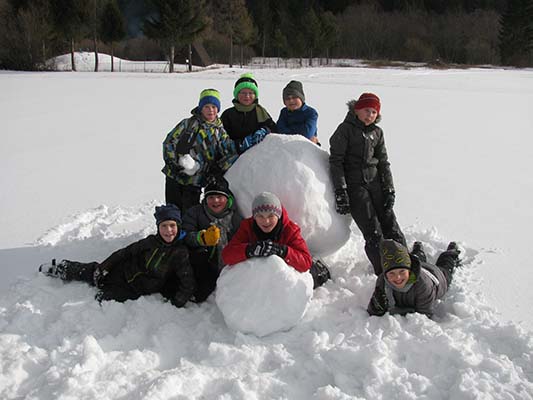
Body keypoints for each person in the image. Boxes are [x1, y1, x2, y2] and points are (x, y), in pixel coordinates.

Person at [39, 204, 196, 308]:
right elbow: (126, 252)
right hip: (123, 271)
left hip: (137, 288)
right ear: (158, 227)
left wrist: (178, 301)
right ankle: (62, 268)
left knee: (105, 297)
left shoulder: (180, 252)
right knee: (92, 272)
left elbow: (187, 280)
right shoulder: (150, 241)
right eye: (164, 226)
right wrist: (105, 265)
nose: (168, 231)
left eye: (172, 226)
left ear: (178, 226)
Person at [329, 92, 406, 275]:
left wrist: (389, 188)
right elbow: (336, 161)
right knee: (372, 230)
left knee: (390, 223)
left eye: (373, 112)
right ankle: (385, 272)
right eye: (366, 110)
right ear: (357, 110)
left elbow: (383, 162)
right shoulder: (345, 130)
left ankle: (405, 265)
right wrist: (341, 190)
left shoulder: (377, 133)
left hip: (376, 183)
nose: (369, 115)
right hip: (355, 186)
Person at [222, 192, 330, 289]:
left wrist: (283, 251)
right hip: (260, 278)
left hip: (285, 278)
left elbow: (305, 262)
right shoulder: (247, 227)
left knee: (311, 276)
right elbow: (227, 256)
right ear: (254, 217)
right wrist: (250, 250)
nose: (266, 221)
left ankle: (319, 270)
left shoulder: (289, 230)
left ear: (278, 215)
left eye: (271, 216)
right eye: (260, 216)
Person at [162, 88, 238, 214]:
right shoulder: (187, 124)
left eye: (214, 107)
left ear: (218, 109)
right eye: (206, 106)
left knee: (190, 214)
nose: (210, 110)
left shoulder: (220, 132)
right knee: (172, 212)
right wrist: (172, 163)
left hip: (196, 181)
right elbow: (169, 142)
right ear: (201, 108)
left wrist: (218, 169)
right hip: (174, 176)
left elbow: (230, 153)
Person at [182, 176, 243, 302]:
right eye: (211, 197)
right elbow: (184, 235)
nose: (215, 201)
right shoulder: (195, 213)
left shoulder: (235, 218)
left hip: (229, 266)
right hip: (205, 264)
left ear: (227, 198)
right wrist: (201, 238)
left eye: (219, 197)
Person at [367, 239, 461, 318]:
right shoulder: (382, 281)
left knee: (446, 265)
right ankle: (418, 251)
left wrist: (400, 311)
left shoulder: (423, 285)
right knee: (416, 259)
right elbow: (373, 310)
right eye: (391, 273)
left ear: (409, 270)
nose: (397, 277)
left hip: (437, 275)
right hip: (418, 267)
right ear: (385, 274)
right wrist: (376, 307)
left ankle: (450, 252)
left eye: (402, 272)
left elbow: (424, 315)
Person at [221, 73, 277, 153]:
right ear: (237, 94)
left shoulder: (261, 112)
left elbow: (274, 129)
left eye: (251, 93)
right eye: (243, 93)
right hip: (233, 155)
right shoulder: (228, 114)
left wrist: (265, 130)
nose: (247, 96)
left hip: (257, 155)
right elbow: (221, 138)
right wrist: (238, 144)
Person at [276, 80, 320, 144]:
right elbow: (279, 131)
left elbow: (307, 134)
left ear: (301, 98)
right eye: (288, 98)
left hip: (306, 147)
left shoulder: (311, 113)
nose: (291, 100)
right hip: (286, 146)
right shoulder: (284, 112)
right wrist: (299, 129)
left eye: (294, 97)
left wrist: (288, 129)